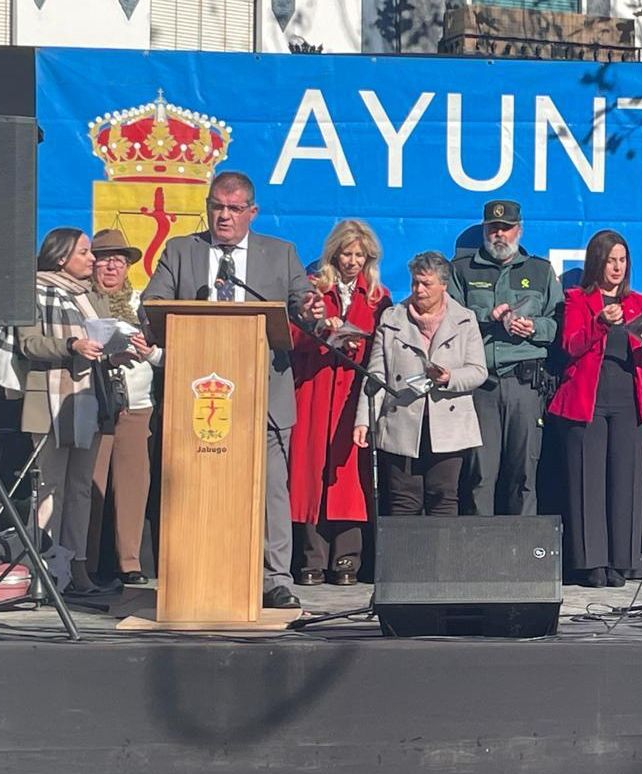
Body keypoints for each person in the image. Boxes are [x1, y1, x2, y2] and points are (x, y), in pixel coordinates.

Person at [141, 171, 312, 609]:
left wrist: (313, 309)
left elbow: (302, 305)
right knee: (196, 487)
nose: (225, 216)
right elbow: (154, 307)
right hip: (198, 400)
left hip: (264, 396)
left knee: (271, 489)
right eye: (217, 206)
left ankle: (275, 579)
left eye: (235, 209)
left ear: (252, 212)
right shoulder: (181, 252)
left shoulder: (281, 253)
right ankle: (193, 572)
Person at [0, 227, 139, 596]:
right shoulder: (34, 289)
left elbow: (101, 344)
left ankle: (77, 569)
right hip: (49, 400)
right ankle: (42, 570)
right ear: (61, 257)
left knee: (80, 488)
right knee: (49, 486)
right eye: (86, 252)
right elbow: (28, 343)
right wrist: (72, 345)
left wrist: (115, 352)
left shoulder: (90, 296)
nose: (94, 260)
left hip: (88, 399)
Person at [548, 231, 642, 588]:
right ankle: (591, 562)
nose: (617, 267)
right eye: (611, 260)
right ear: (597, 261)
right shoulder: (577, 300)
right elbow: (570, 345)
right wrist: (600, 323)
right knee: (589, 481)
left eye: (622, 260)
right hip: (588, 400)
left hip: (629, 399)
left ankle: (622, 561)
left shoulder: (638, 303)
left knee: (625, 481)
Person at [290, 220, 390, 586]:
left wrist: (356, 344)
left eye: (359, 255)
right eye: (346, 254)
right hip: (315, 387)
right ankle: (310, 559)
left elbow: (383, 348)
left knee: (348, 474)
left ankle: (347, 559)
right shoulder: (314, 290)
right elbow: (290, 338)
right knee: (310, 472)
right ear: (333, 254)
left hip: (352, 391)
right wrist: (320, 329)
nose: (352, 262)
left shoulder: (378, 297)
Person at [446, 200, 561, 516]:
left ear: (519, 230)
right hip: (480, 385)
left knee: (523, 474)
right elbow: (450, 319)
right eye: (493, 228)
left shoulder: (540, 270)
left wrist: (533, 327)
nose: (499, 234)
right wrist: (487, 316)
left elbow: (559, 324)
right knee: (479, 475)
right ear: (484, 229)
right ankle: (477, 555)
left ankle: (523, 558)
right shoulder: (462, 270)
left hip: (524, 384)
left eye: (506, 228)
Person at [355, 252, 487, 516]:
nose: (419, 289)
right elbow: (376, 374)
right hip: (402, 421)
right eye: (415, 282)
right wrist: (363, 420)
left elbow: (478, 371)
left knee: (444, 499)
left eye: (426, 284)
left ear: (443, 285)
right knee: (403, 501)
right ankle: (404, 558)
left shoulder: (465, 319)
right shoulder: (392, 318)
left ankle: (441, 559)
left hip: (449, 427)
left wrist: (450, 377)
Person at [86, 229, 163, 586]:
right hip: (96, 406)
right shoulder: (82, 303)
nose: (113, 266)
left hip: (137, 404)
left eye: (120, 259)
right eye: (104, 258)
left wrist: (148, 352)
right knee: (90, 486)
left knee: (134, 486)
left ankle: (129, 562)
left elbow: (162, 351)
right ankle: (84, 562)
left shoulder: (142, 305)